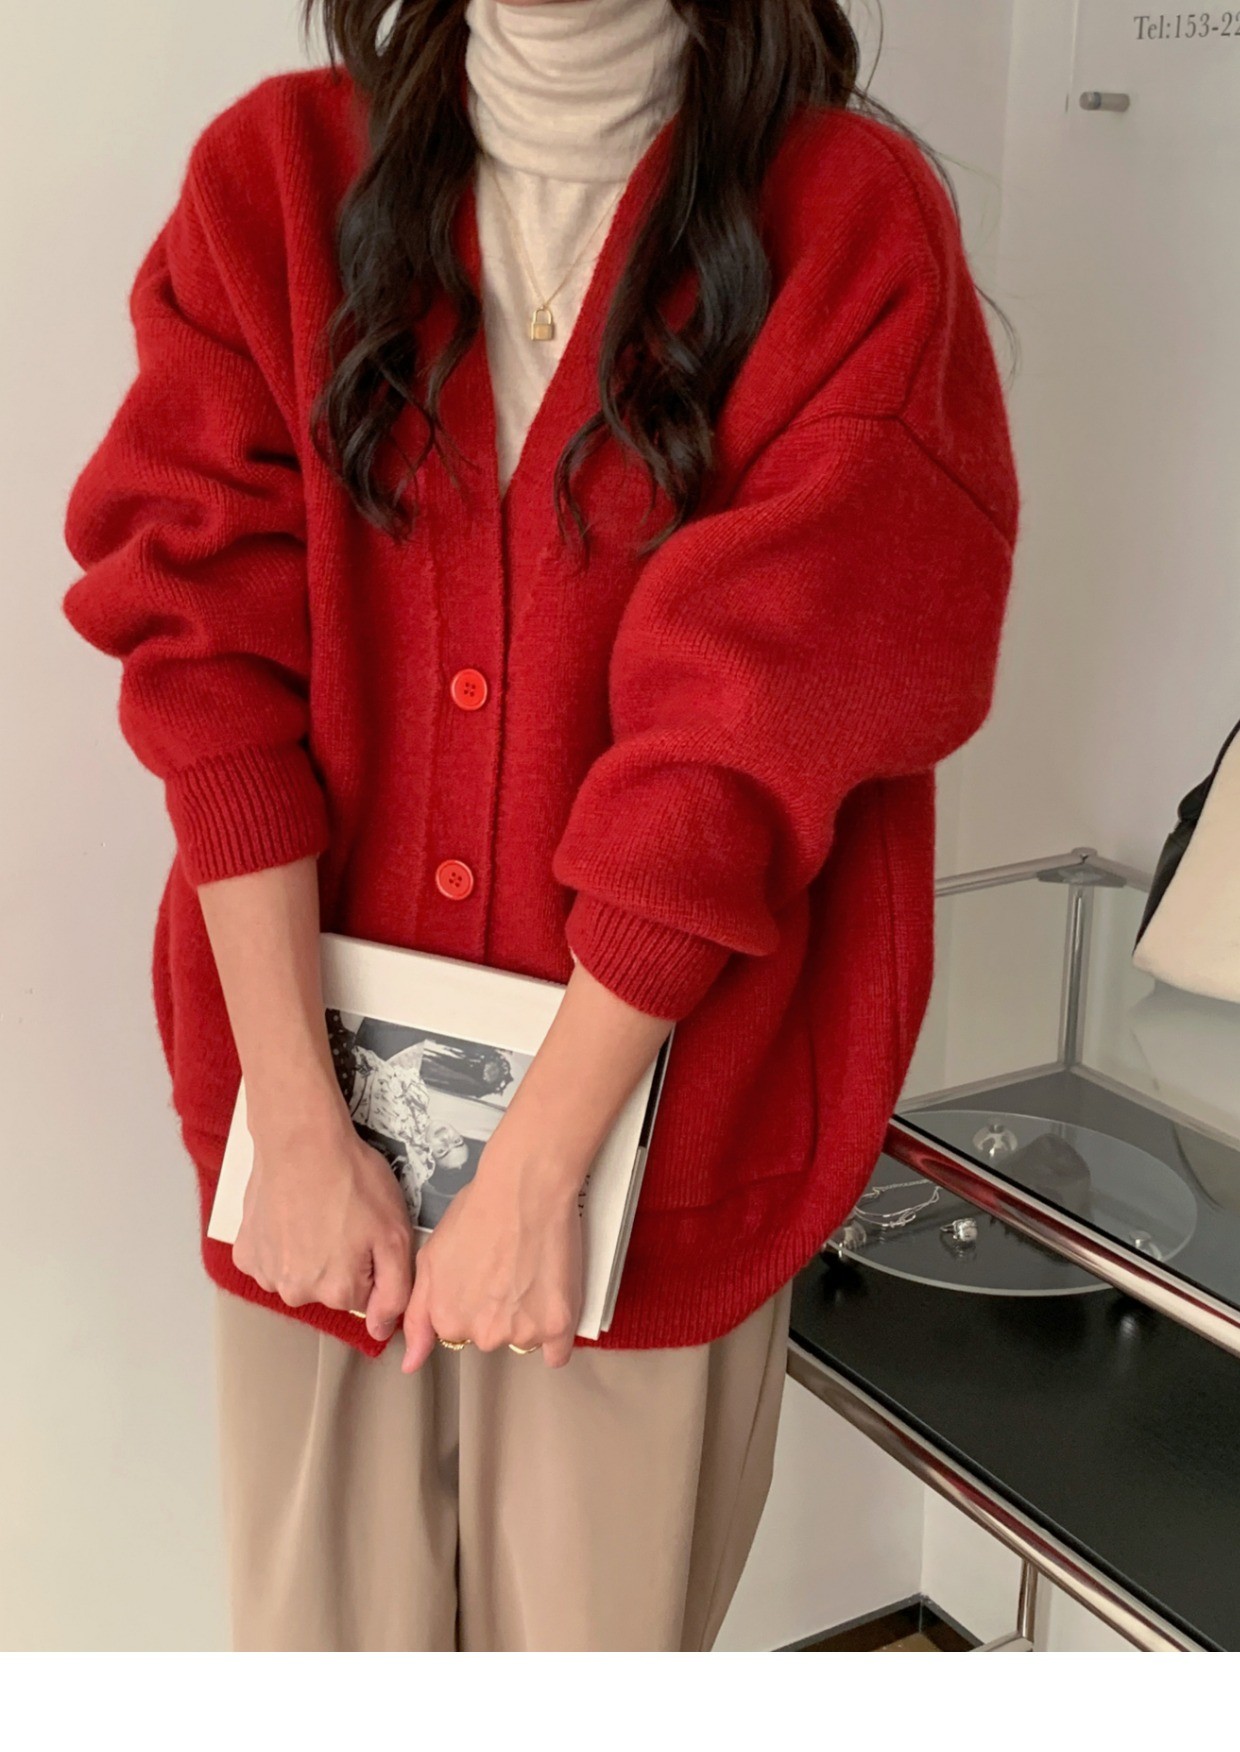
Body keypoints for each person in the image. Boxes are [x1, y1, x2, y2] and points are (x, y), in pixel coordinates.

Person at [60, 0, 1020, 1651]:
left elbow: (756, 725)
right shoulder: (273, 183)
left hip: (659, 1157)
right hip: (314, 1156)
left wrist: (538, 1170)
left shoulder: (848, 223)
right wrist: (294, 1116)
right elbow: (203, 654)